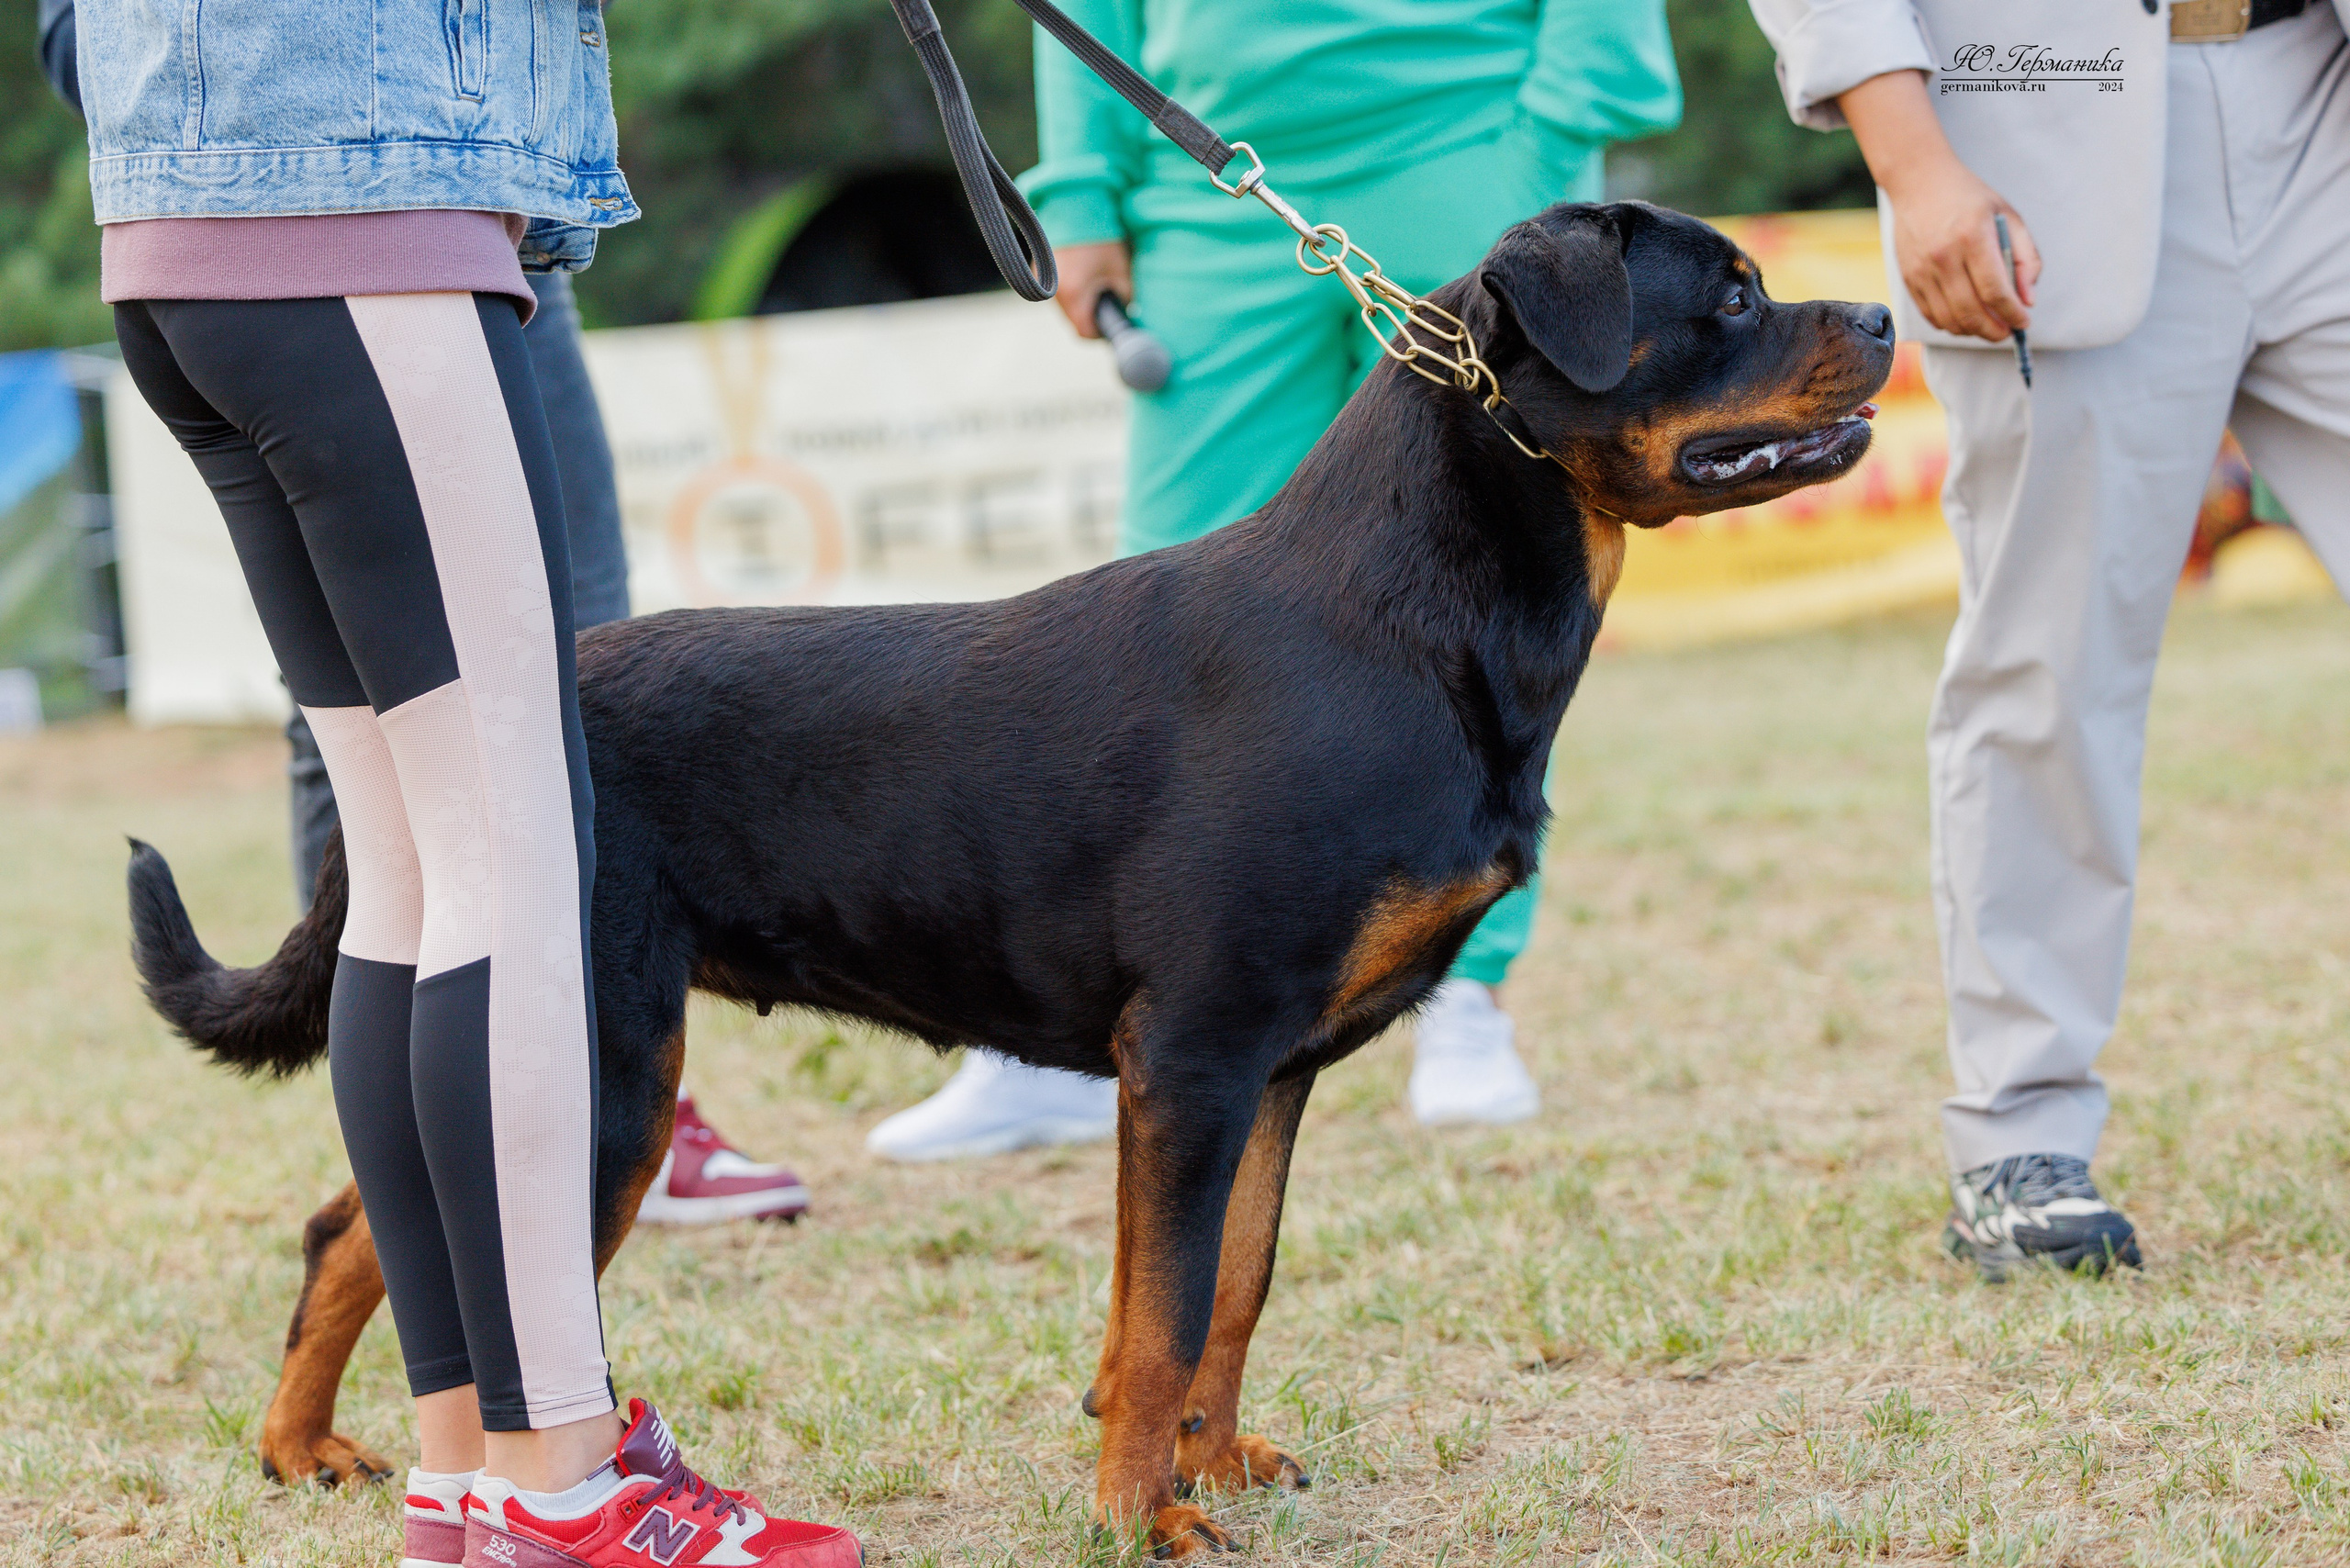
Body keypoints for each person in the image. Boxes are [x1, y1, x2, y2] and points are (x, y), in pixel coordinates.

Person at [72, 0, 855, 1561]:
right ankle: (563, 1472)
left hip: (193, 214)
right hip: (357, 191)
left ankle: (469, 1475)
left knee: (418, 870)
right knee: (507, 858)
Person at [864, 0, 1682, 1160]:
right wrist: (1084, 193)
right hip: (1210, 174)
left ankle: (1468, 1001)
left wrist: (1545, 139)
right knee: (1142, 645)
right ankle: (1060, 1029)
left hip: (1467, 143)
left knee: (1496, 609)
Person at [1748, 0, 2350, 1278]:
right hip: (2046, 128)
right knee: (2052, 668)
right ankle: (2019, 1138)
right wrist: (1915, 164)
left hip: (2323, 95)